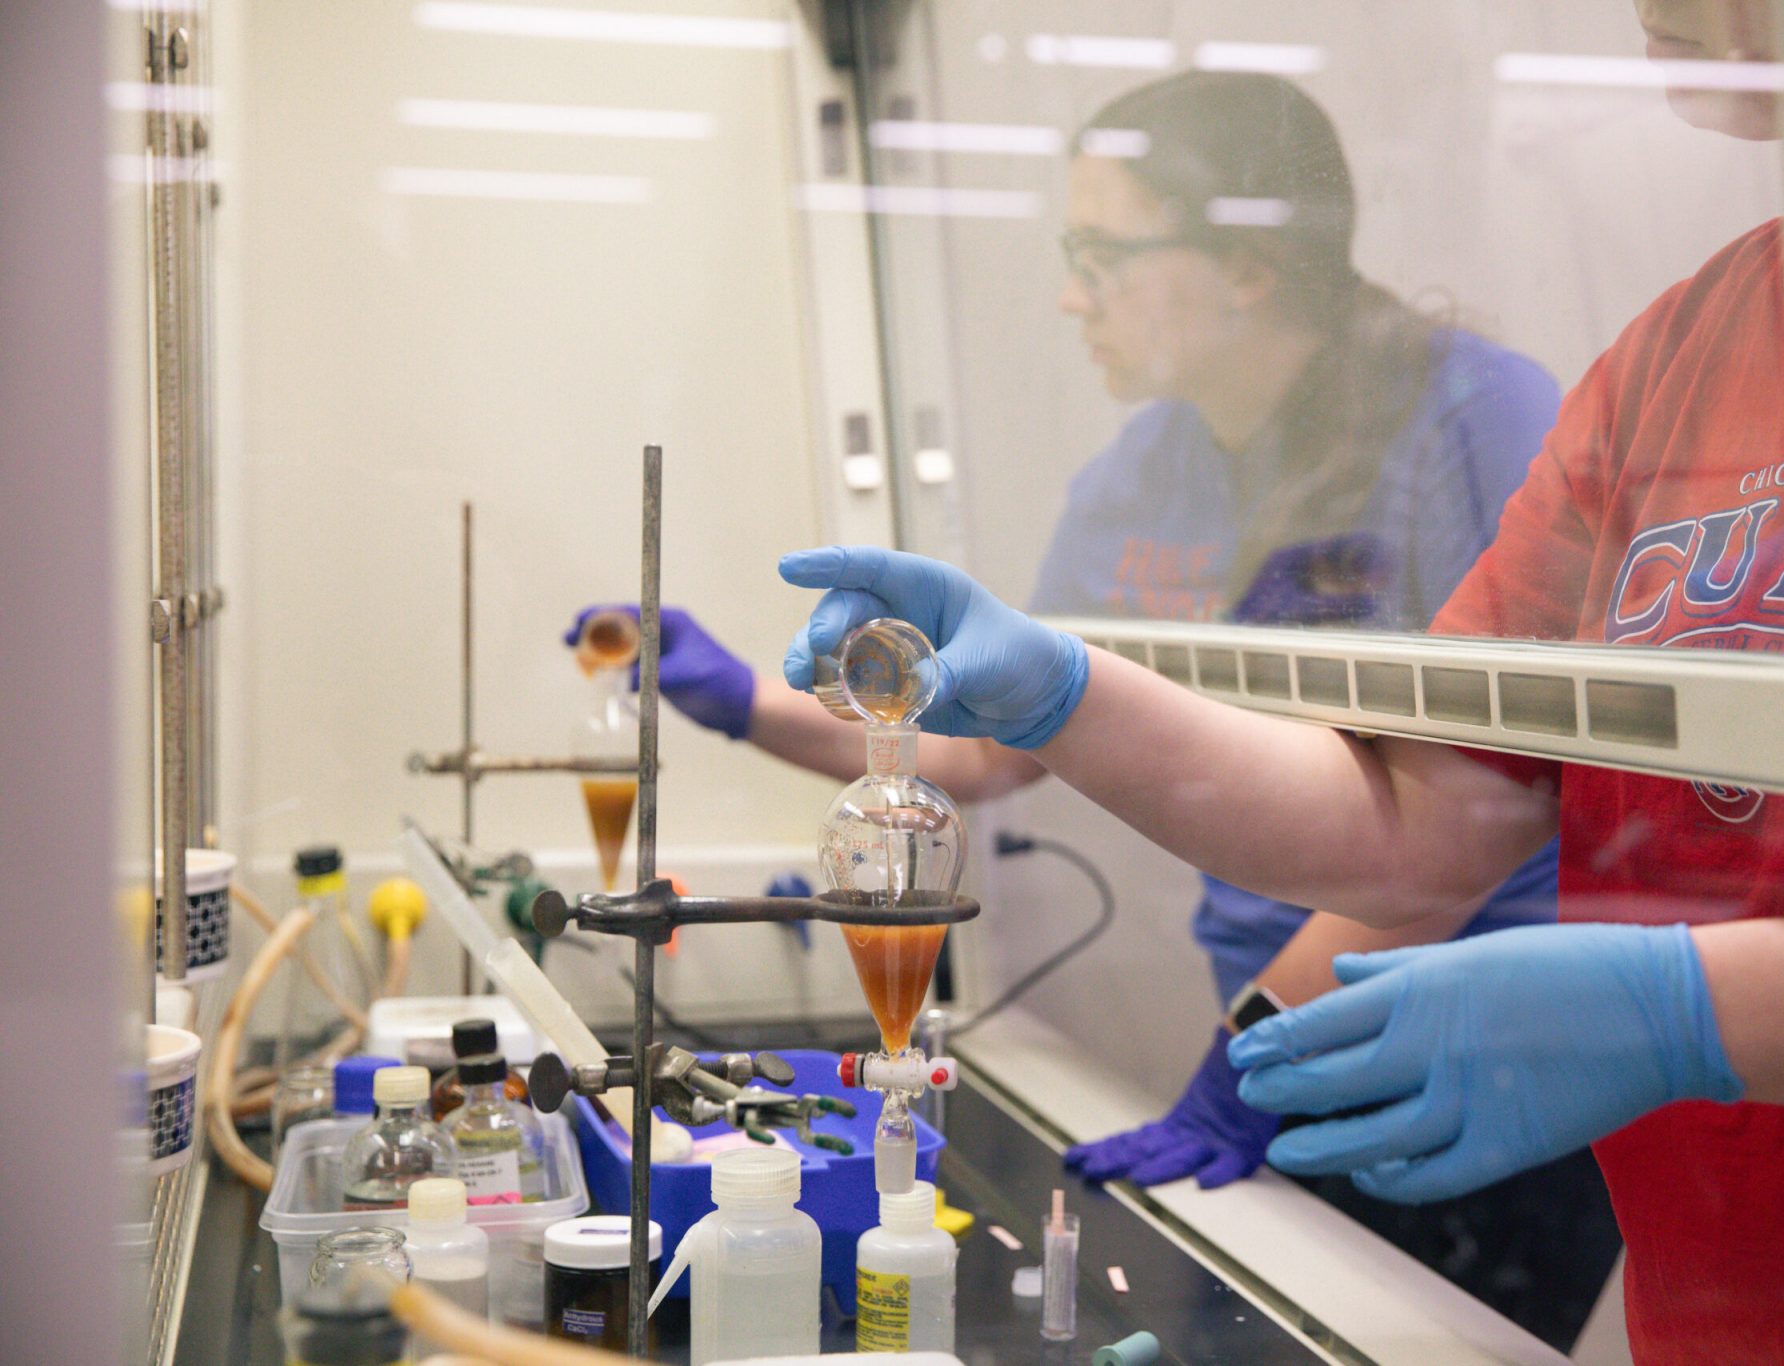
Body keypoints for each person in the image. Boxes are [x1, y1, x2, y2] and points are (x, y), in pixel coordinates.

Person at [774, 0, 1784, 1357]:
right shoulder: (1684, 347)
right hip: (1713, 1281)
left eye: (1103, 253)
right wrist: (1068, 692)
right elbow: (1423, 819)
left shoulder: (1472, 411)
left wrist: (1685, 1008)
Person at [572, 71, 1608, 1344]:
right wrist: (741, 703)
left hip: (1478, 1040)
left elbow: (1465, 824)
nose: (1072, 296)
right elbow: (989, 748)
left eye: (1099, 254)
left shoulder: (1475, 423)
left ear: (1245, 262)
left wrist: (1246, 1050)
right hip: (1284, 1029)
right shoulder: (1144, 475)